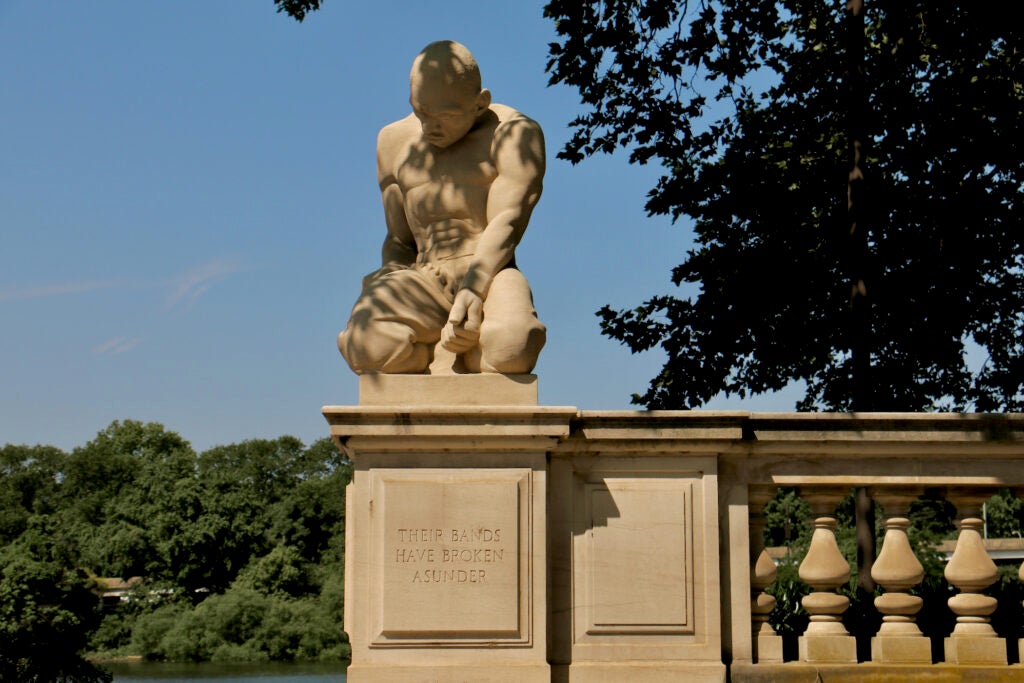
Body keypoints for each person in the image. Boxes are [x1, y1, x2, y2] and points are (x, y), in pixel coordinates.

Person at [338, 40, 546, 374]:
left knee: (513, 348)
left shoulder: (513, 134)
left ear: (480, 104)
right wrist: (389, 275)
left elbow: (508, 220)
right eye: (422, 113)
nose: (430, 127)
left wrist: (475, 288)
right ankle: (436, 354)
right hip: (425, 277)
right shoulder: (394, 141)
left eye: (447, 116)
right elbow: (399, 240)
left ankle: (477, 347)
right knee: (362, 343)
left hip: (490, 274)